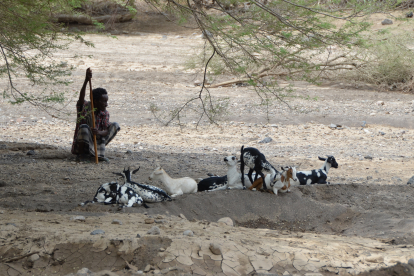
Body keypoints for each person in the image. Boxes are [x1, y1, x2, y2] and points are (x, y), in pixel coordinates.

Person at [71, 68, 120, 162]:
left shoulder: (105, 113)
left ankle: (95, 153)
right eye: (104, 101)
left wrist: (98, 132)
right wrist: (86, 80)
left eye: (106, 101)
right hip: (83, 143)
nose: (106, 104)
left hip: (96, 142)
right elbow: (81, 98)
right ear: (96, 102)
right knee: (84, 127)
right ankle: (81, 155)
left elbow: (106, 130)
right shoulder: (85, 107)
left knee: (115, 125)